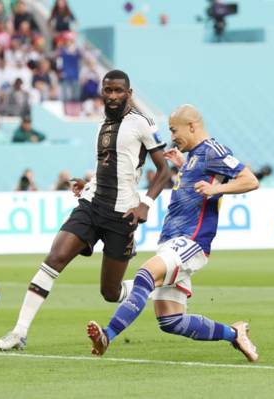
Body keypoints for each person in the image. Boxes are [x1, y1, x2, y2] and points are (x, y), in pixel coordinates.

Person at [0, 69, 171, 350]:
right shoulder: (102, 125)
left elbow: (164, 170)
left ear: (129, 94)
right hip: (91, 205)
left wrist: (145, 204)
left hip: (122, 214)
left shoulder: (142, 123)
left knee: (110, 293)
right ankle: (19, 332)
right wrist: (87, 183)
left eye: (118, 91)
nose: (112, 96)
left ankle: (145, 289)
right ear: (101, 92)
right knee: (54, 259)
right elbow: (111, 167)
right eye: (108, 90)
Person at [86, 104, 260, 362]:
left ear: (192, 126)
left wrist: (217, 190)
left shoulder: (214, 150)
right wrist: (184, 164)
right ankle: (234, 333)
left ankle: (107, 335)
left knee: (145, 275)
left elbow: (250, 180)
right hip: (172, 240)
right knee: (171, 321)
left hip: (191, 241)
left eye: (173, 129)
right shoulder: (193, 156)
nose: (172, 136)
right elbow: (196, 183)